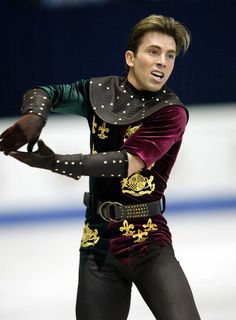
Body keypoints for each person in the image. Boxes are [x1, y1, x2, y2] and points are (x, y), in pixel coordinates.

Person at [0, 14, 201, 320]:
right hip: (98, 241)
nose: (162, 62)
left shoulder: (171, 112)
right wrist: (34, 117)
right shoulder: (100, 91)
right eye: (154, 51)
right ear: (130, 58)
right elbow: (46, 92)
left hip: (148, 242)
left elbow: (126, 163)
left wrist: (54, 162)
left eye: (170, 55)